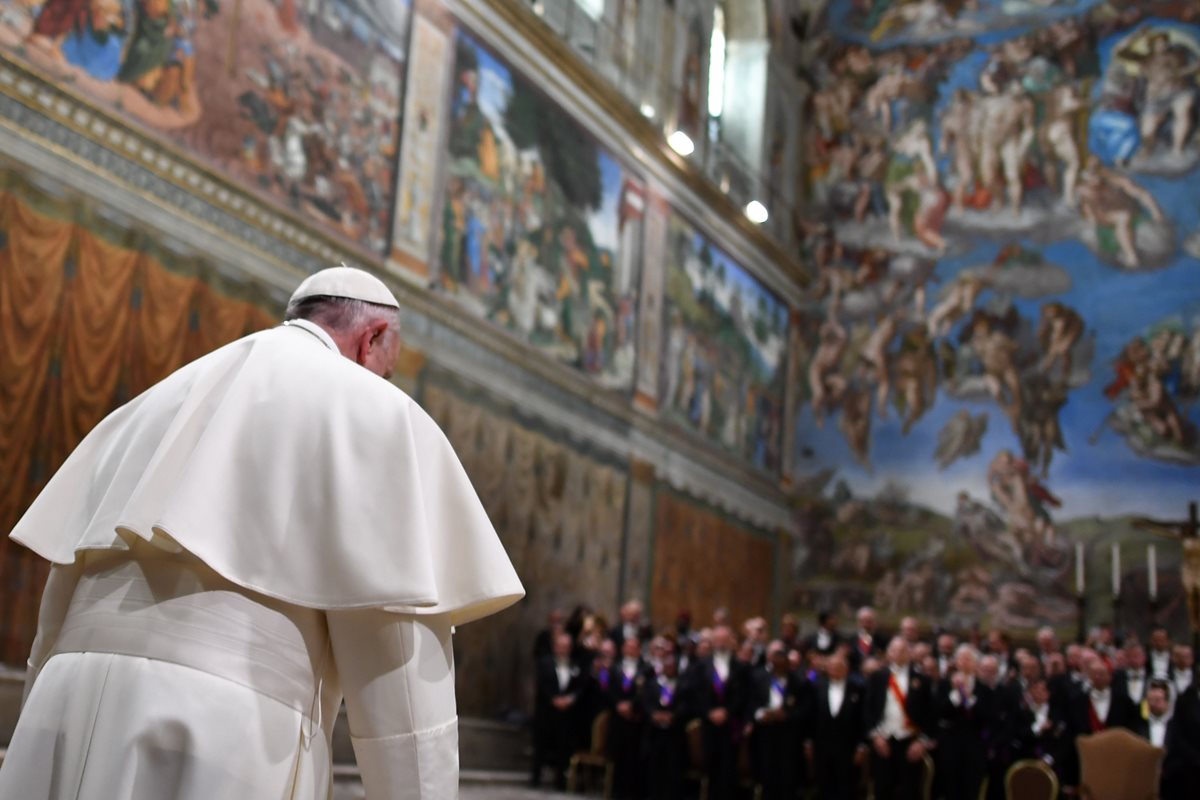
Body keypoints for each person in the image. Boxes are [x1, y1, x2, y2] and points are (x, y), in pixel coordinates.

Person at [0, 265, 525, 799]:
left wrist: (41, 704)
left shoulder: (155, 400)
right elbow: (398, 657)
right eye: (386, 369)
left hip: (62, 703)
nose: (384, 382)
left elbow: (65, 578)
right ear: (373, 340)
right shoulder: (378, 413)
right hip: (220, 728)